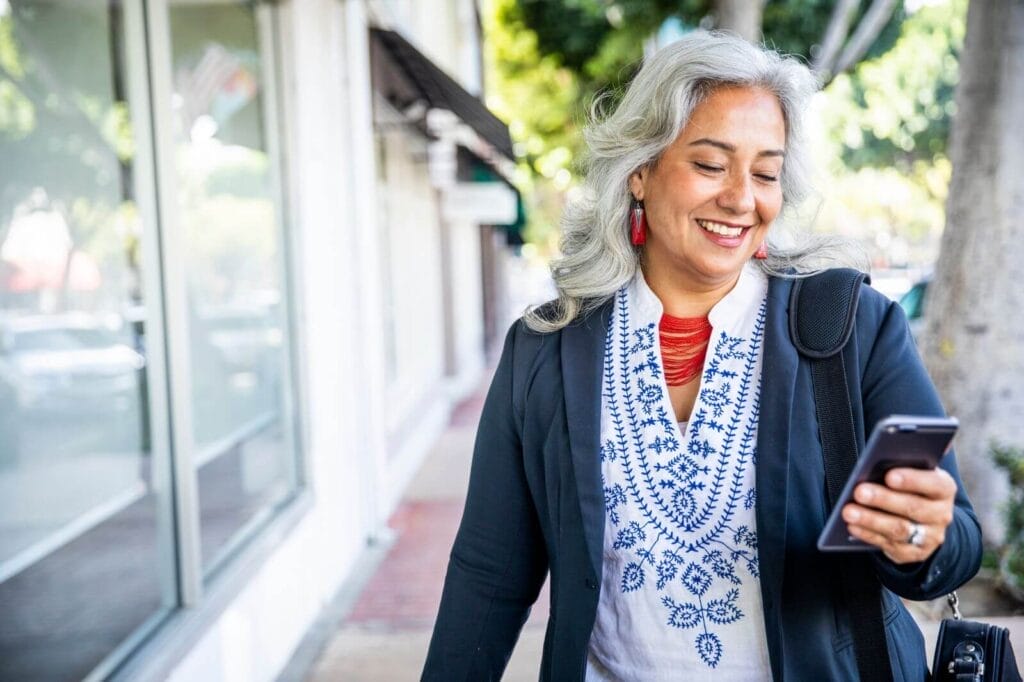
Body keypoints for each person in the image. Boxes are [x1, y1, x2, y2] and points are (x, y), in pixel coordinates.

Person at [422, 31, 982, 681]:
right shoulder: (547, 347)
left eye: (765, 173)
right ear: (640, 169)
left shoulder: (852, 326)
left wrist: (919, 535)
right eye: (712, 165)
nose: (742, 199)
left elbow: (957, 545)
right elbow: (490, 574)